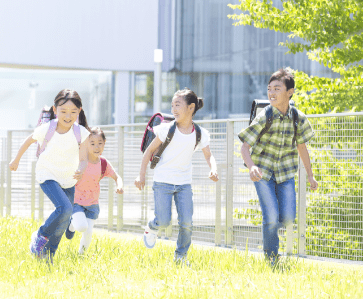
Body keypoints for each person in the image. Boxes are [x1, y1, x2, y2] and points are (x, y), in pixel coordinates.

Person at [238, 69, 318, 265]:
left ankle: (270, 228)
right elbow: (244, 146)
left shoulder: (298, 118)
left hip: (286, 173)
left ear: (290, 92)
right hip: (263, 172)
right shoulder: (265, 115)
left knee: (289, 218)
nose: (271, 93)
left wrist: (310, 175)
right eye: (269, 89)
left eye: (277, 88)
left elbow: (302, 147)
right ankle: (272, 257)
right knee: (272, 216)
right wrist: (251, 167)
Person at [135, 88, 219, 265]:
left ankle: (180, 256)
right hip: (163, 182)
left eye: (178, 105)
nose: (173, 109)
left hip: (184, 184)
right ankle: (152, 227)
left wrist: (213, 168)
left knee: (187, 222)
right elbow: (149, 151)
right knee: (163, 220)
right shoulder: (166, 129)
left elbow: (208, 155)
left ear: (191, 107)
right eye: (172, 105)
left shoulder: (200, 133)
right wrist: (141, 175)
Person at [9, 89, 91, 261]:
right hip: (47, 174)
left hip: (68, 179)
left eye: (73, 112)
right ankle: (41, 235)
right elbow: (28, 141)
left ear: (79, 111)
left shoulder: (81, 133)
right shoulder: (47, 129)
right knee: (65, 208)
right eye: (63, 111)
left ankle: (48, 254)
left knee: (64, 218)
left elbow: (83, 159)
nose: (68, 116)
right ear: (55, 110)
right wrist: (16, 160)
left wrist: (82, 169)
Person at [65, 127, 124, 254]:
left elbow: (116, 176)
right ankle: (71, 224)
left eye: (100, 144)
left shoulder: (103, 163)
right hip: (76, 202)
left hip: (92, 204)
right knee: (81, 226)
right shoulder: (79, 161)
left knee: (88, 232)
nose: (97, 147)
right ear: (86, 144)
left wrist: (119, 185)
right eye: (92, 144)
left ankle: (81, 255)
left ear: (104, 143)